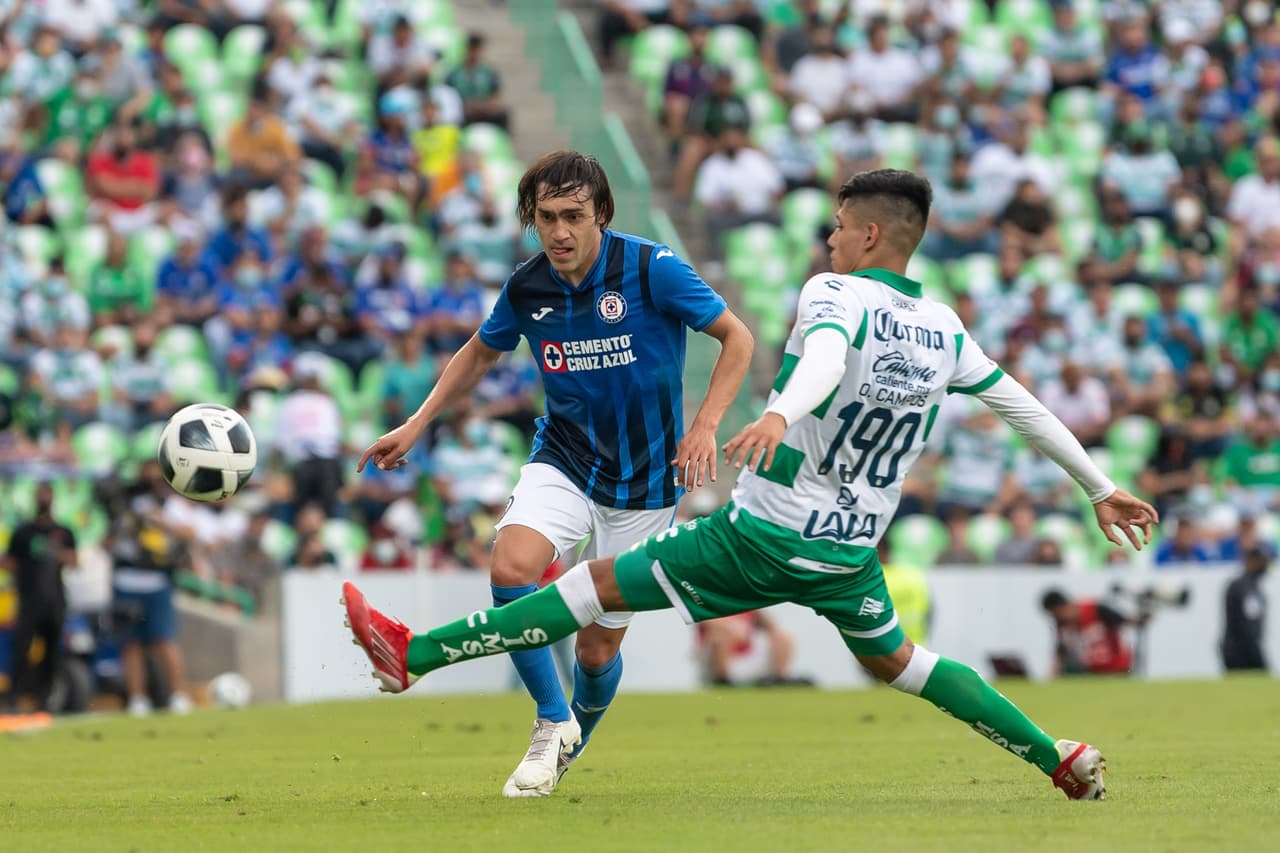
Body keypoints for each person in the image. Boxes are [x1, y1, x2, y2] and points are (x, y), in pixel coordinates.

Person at [346, 169, 1161, 801]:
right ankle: (1057, 756)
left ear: (870, 233)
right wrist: (1098, 485)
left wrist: (779, 415)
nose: (829, 239)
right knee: (901, 661)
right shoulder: (943, 326)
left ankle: (413, 653)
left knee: (588, 591)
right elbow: (1019, 405)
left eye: (839, 227)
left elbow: (829, 353)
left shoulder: (833, 291)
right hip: (849, 551)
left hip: (764, 532)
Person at [356, 150, 753, 798]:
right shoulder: (528, 286)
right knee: (511, 566)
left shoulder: (650, 270)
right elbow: (480, 352)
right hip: (565, 458)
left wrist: (706, 423)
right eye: (547, 217)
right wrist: (417, 422)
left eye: (574, 215)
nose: (561, 231)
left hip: (648, 485)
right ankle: (550, 717)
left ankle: (569, 742)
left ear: (601, 213)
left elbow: (736, 337)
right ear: (531, 219)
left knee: (597, 653)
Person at [2, 484, 77, 713]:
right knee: (21, 649)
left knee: (51, 653)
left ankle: (44, 698)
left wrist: (54, 552)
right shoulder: (23, 532)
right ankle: (14, 697)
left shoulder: (63, 532)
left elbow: (74, 561)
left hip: (54, 600)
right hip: (29, 599)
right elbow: (9, 561)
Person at [1041, 589, 1141, 676]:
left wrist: (1140, 617)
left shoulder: (1096, 610)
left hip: (1118, 669)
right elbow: (1060, 650)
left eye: (1058, 613)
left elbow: (1126, 621)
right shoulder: (1062, 625)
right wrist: (1052, 673)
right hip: (1091, 673)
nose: (1058, 618)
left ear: (1066, 606)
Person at [1221, 547, 1269, 671]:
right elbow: (1248, 628)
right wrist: (1259, 660)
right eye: (1261, 561)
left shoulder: (1246, 586)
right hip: (1241, 654)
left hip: (1237, 650)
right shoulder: (1245, 588)